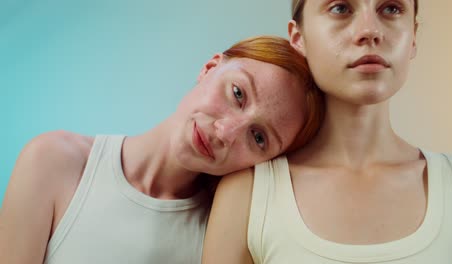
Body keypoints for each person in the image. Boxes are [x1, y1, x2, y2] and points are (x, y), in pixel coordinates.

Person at [0, 35, 323, 264]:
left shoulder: (226, 239)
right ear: (210, 67)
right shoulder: (54, 161)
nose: (226, 132)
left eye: (258, 138)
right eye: (237, 93)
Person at [202, 0, 452, 263]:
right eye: (341, 8)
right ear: (299, 37)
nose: (370, 31)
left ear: (413, 37)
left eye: (391, 8)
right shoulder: (248, 194)